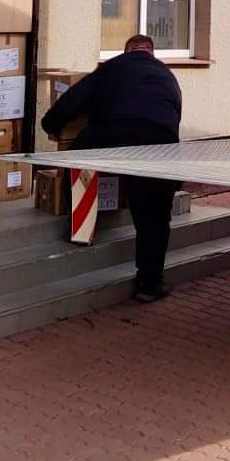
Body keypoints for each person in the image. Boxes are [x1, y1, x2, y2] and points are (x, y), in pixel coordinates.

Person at [41, 35, 183, 303]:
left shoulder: (114, 66)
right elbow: (172, 120)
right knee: (154, 214)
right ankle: (149, 283)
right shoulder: (168, 76)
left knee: (79, 158)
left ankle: (80, 227)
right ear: (152, 53)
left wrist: (50, 125)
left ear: (127, 50)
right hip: (158, 141)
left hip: (112, 130)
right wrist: (172, 182)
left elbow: (74, 99)